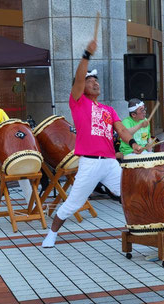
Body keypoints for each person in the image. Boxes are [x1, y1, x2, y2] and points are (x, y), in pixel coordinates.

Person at [42, 40, 143, 248]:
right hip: (89, 163)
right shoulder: (78, 102)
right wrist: (86, 54)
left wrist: (132, 143)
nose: (95, 83)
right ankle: (51, 234)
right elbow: (79, 78)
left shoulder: (108, 109)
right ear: (82, 86)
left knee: (128, 193)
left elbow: (122, 130)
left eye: (96, 80)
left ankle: (142, 227)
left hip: (109, 162)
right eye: (90, 81)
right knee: (73, 204)